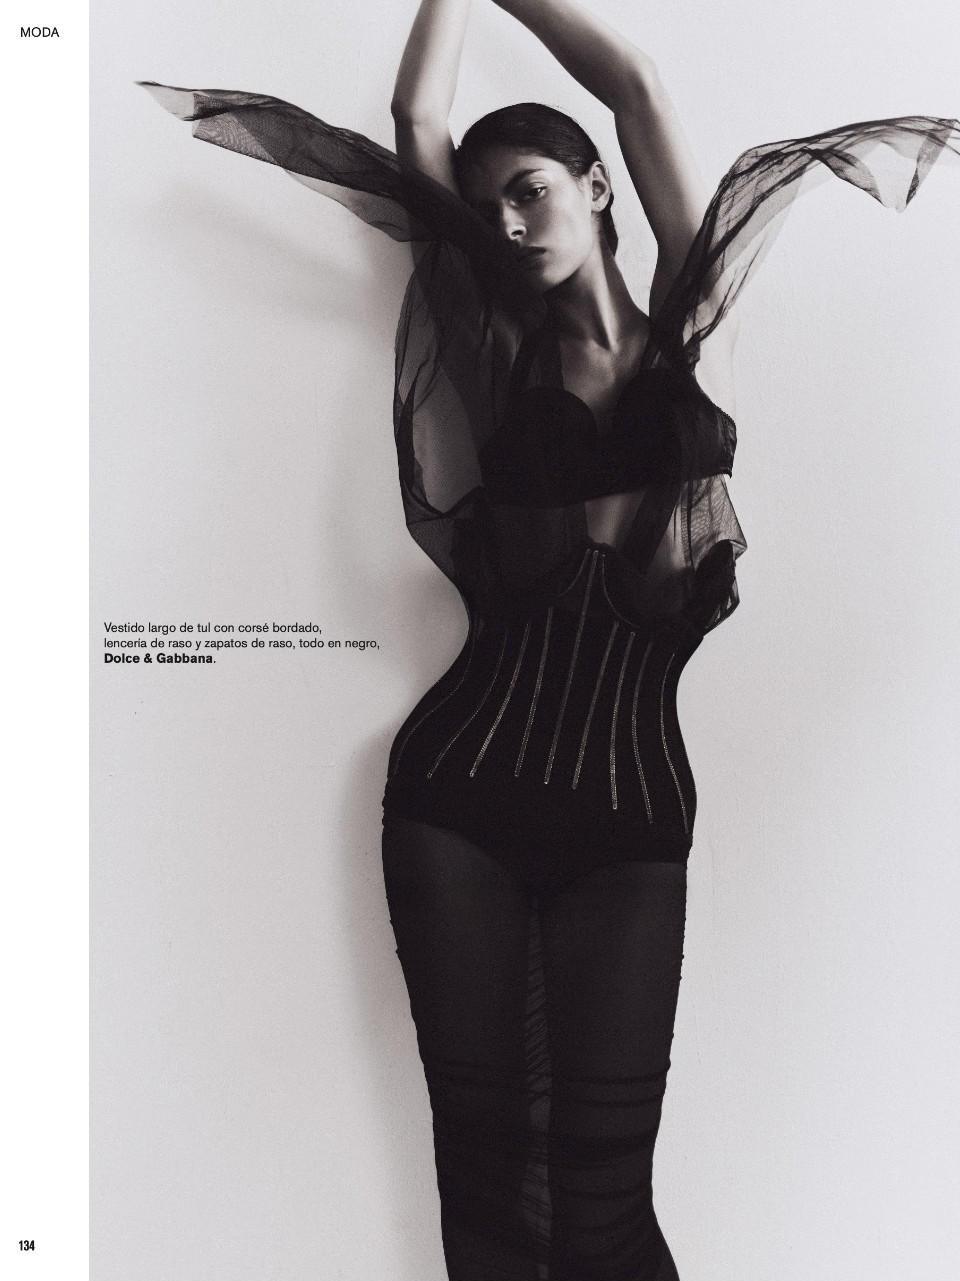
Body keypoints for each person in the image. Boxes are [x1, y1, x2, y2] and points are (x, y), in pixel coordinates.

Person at [139, 2, 959, 1276]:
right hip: (459, 799)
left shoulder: (696, 326)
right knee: (485, 1191)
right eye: (489, 209)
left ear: (597, 188)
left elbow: (636, 84)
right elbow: (415, 118)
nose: (510, 225)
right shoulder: (493, 349)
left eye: (529, 190)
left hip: (630, 823)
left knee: (604, 1215)